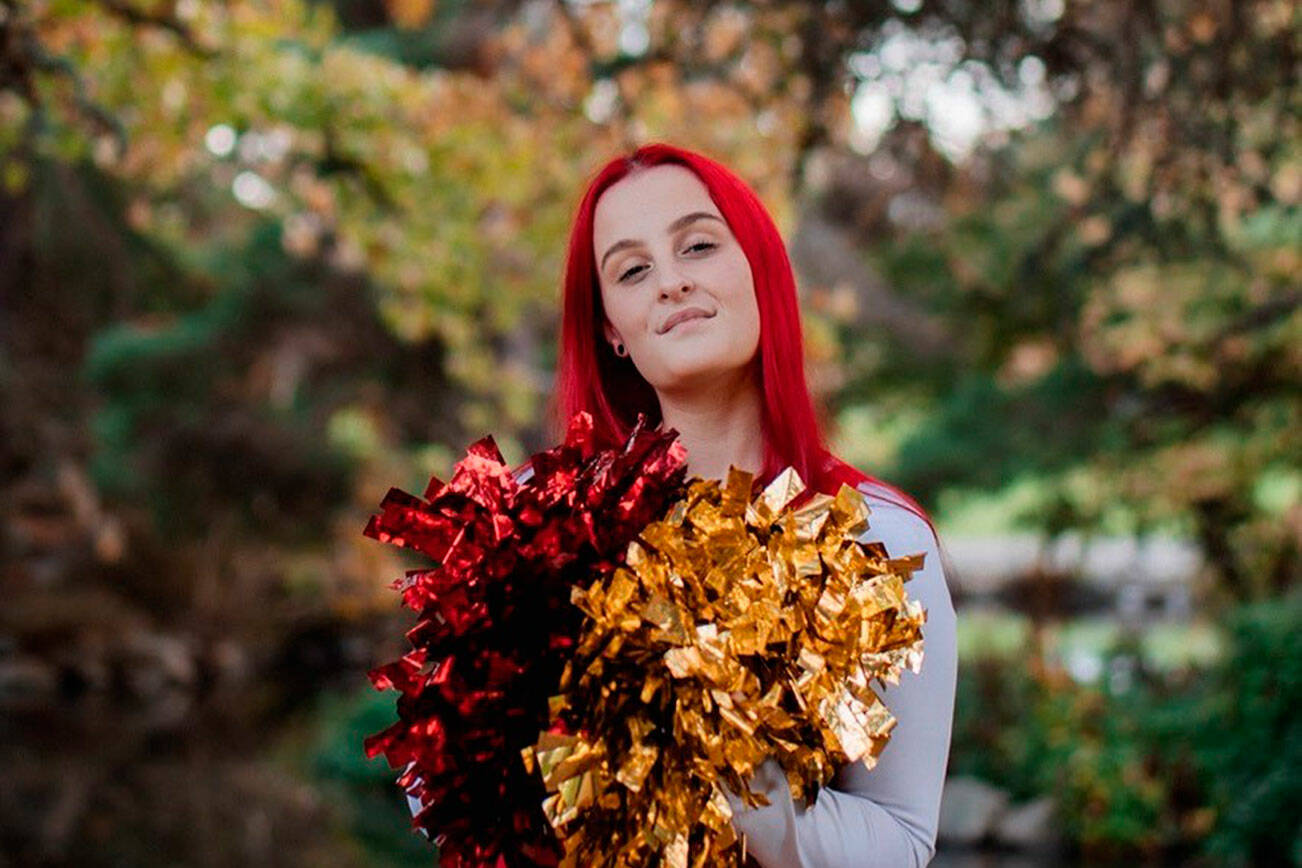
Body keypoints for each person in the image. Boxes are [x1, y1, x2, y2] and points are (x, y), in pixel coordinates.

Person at [551, 142, 958, 867]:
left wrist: (735, 777)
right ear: (611, 329)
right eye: (633, 270)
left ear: (758, 268)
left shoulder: (884, 540)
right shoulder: (559, 542)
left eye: (698, 246)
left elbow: (904, 842)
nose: (671, 281)